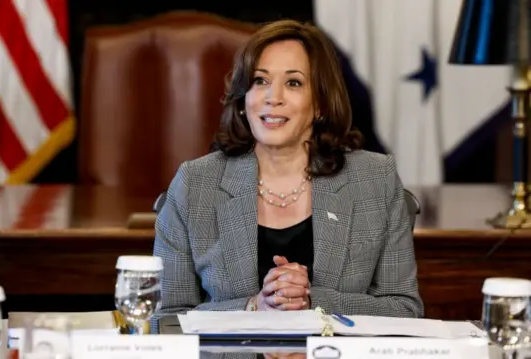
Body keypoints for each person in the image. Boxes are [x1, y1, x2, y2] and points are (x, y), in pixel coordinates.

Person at [152, 19, 423, 322]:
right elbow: (164, 320)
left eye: (293, 83)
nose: (273, 97)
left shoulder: (375, 179)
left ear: (319, 102)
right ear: (244, 99)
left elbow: (403, 310)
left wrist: (312, 304)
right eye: (260, 81)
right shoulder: (195, 184)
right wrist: (254, 308)